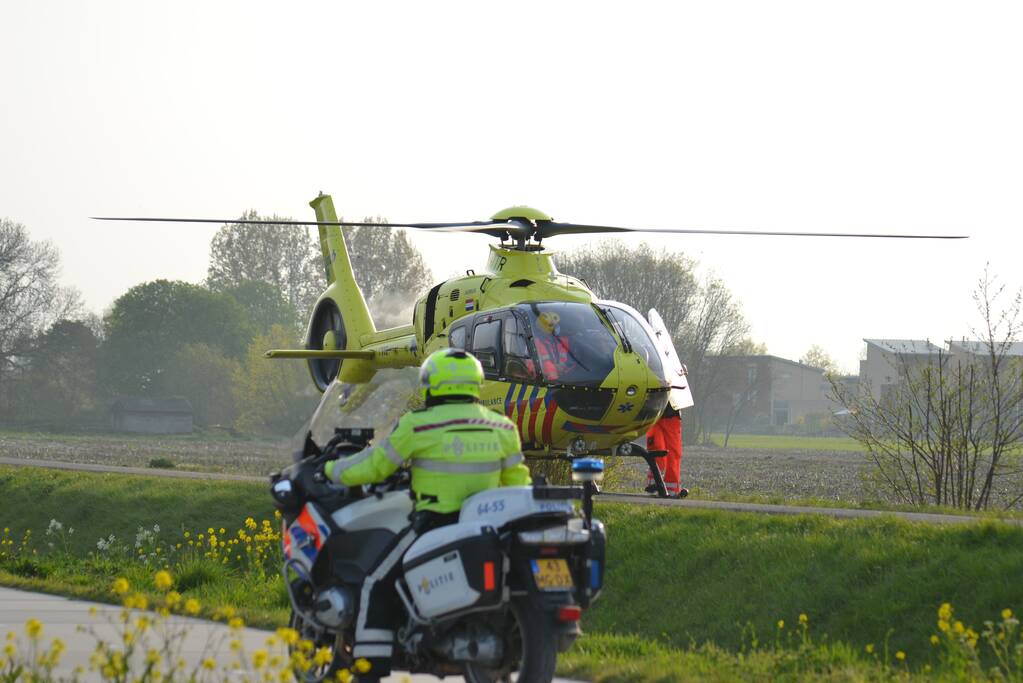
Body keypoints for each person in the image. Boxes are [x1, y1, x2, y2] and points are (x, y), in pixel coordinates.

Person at [324, 348, 531, 682]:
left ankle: (368, 671)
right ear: (475, 383)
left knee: (375, 583)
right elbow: (517, 482)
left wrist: (333, 470)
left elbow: (376, 467)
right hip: (484, 527)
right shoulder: (502, 426)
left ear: (432, 385)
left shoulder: (418, 425)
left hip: (434, 522)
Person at [645, 404, 688, 498]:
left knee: (673, 453)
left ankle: (671, 490)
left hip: (671, 414)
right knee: (657, 449)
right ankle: (653, 487)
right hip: (654, 415)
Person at [532, 310, 573, 380]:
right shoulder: (535, 343)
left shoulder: (563, 341)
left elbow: (572, 360)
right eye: (552, 325)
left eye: (557, 325)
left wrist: (563, 366)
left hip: (568, 378)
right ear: (544, 328)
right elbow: (531, 366)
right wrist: (555, 368)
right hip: (550, 381)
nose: (556, 327)